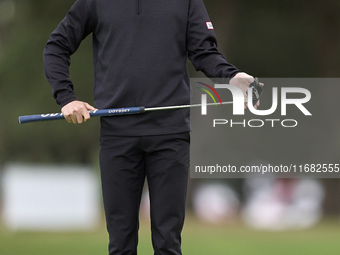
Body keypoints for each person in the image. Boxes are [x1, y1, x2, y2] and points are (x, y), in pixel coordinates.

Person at [43, 0, 261, 254]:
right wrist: (67, 98)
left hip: (171, 133)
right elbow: (57, 45)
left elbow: (204, 52)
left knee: (168, 243)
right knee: (120, 244)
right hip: (117, 135)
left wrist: (231, 76)